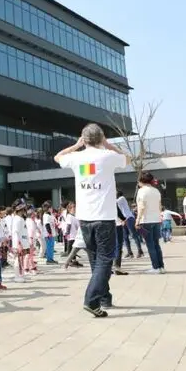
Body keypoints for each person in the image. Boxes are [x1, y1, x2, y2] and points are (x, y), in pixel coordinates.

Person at [55, 123, 130, 318]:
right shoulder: (108, 156)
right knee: (105, 259)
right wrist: (109, 144)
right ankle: (91, 299)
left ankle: (104, 297)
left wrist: (75, 145)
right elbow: (128, 159)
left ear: (84, 139)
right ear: (101, 138)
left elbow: (57, 157)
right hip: (104, 218)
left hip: (84, 218)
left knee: (96, 260)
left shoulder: (76, 158)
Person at [136, 173, 165, 274]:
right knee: (156, 244)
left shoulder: (141, 191)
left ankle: (155, 267)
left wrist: (137, 220)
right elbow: (159, 206)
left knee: (150, 244)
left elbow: (141, 207)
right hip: (156, 220)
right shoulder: (156, 191)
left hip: (146, 220)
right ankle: (161, 266)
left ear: (142, 181)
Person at [116, 191, 143, 259]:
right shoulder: (118, 201)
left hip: (129, 218)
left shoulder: (122, 198)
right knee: (125, 237)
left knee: (134, 235)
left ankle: (140, 251)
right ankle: (129, 252)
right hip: (123, 220)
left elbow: (114, 202)